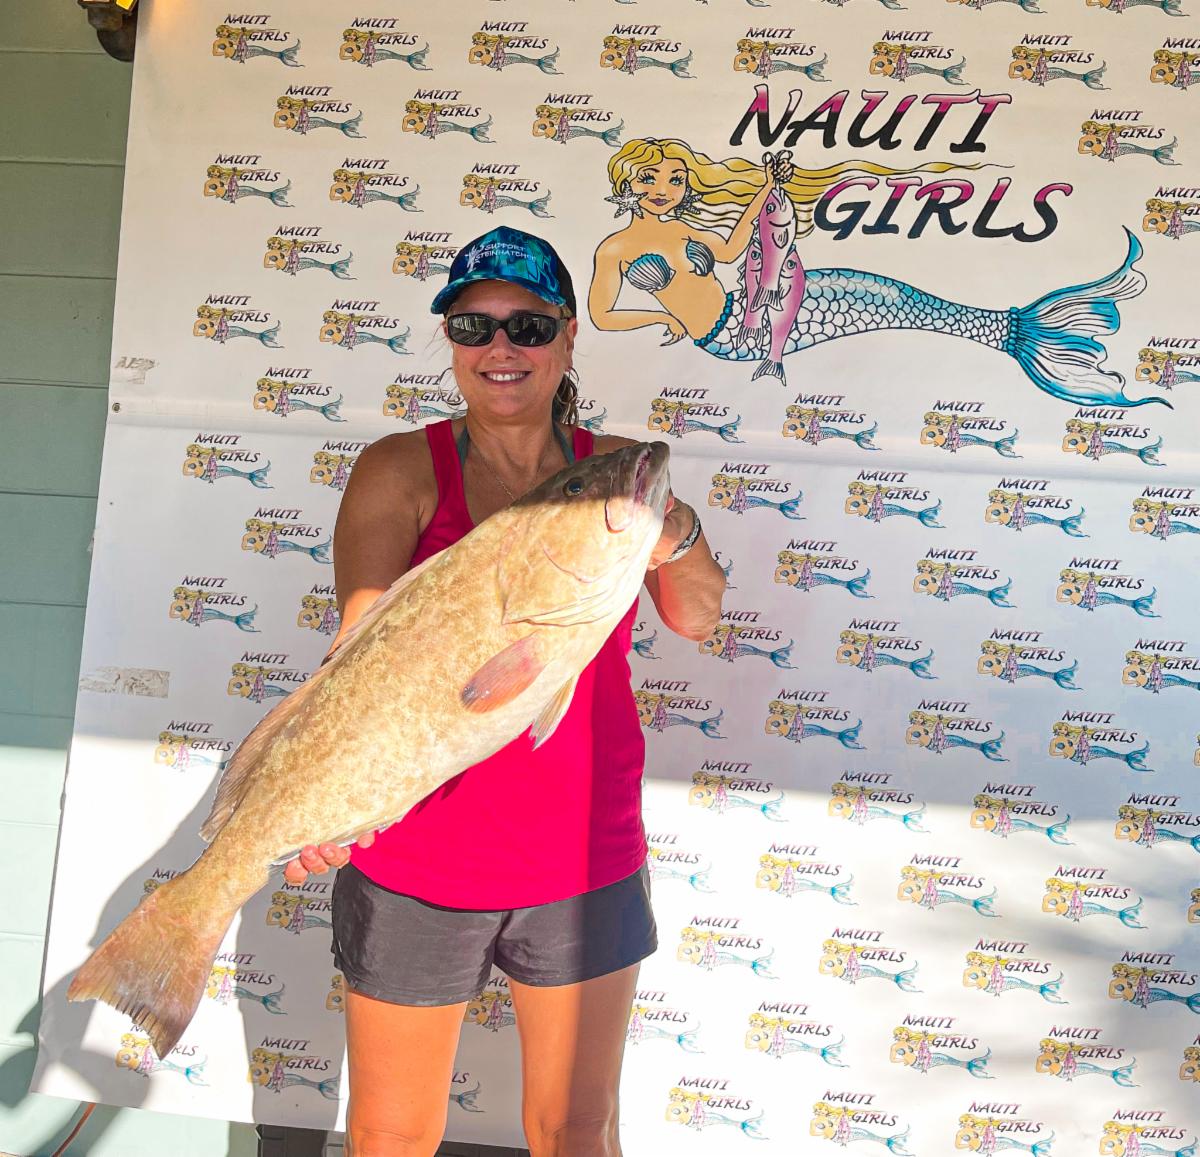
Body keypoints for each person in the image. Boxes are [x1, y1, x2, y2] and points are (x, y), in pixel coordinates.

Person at [285, 225, 725, 1157]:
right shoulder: (401, 468)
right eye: (472, 325)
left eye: (527, 325)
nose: (500, 347)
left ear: (566, 338)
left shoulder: (615, 472)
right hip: (416, 856)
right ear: (450, 340)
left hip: (584, 852)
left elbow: (696, 616)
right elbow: (361, 656)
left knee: (575, 1128)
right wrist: (328, 801)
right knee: (392, 1131)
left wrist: (672, 524)